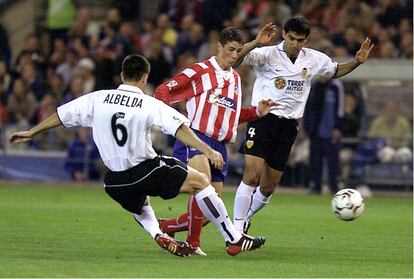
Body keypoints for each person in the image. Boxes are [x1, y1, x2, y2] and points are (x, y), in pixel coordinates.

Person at [8, 54, 266, 257]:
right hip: (146, 170)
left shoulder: (99, 98)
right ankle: (233, 238)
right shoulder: (148, 103)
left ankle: (158, 234)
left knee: (140, 204)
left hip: (114, 181)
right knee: (201, 182)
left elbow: (62, 116)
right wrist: (208, 149)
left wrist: (32, 131)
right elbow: (180, 128)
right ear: (144, 78)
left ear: (121, 75)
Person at [232, 16, 374, 233]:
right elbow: (236, 59)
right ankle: (237, 230)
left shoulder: (315, 59)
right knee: (252, 175)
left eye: (300, 40)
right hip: (262, 120)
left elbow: (335, 71)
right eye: (291, 38)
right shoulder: (266, 54)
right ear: (284, 35)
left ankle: (245, 218)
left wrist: (357, 61)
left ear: (306, 40)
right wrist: (255, 42)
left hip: (288, 126)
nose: (295, 44)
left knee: (268, 188)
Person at [154, 25, 277, 256]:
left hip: (220, 146)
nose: (234, 55)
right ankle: (196, 243)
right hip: (196, 138)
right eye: (230, 49)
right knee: (204, 188)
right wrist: (174, 121)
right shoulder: (200, 71)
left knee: (211, 209)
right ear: (219, 46)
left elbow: (233, 114)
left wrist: (256, 112)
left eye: (238, 51)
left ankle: (165, 226)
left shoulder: (235, 79)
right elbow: (163, 91)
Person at [304, 76, 345, 194]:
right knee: (315, 160)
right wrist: (308, 128)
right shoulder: (313, 86)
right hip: (315, 131)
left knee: (333, 161)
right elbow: (307, 108)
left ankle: (334, 187)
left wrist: (338, 127)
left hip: (331, 131)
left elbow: (340, 108)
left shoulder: (336, 86)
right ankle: (315, 186)